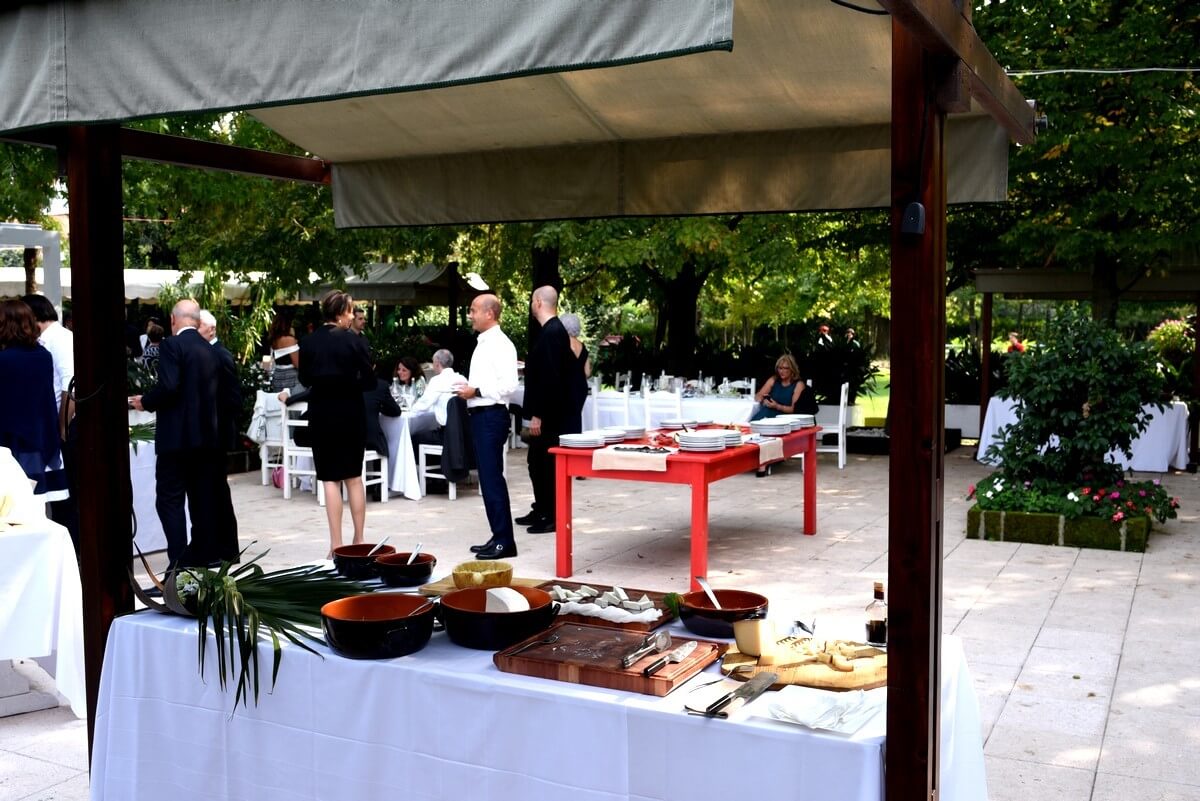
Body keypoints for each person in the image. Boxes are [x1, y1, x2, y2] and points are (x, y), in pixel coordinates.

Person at [131, 299, 240, 568]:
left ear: (173, 320)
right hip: (206, 441)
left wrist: (145, 401)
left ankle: (178, 561)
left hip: (176, 441)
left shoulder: (172, 345)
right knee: (200, 500)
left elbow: (169, 386)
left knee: (169, 501)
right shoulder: (213, 351)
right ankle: (202, 555)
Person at [298, 290, 376, 555]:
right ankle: (360, 538)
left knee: (330, 480)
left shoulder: (308, 342)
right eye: (351, 311)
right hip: (351, 412)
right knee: (354, 477)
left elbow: (305, 379)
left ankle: (335, 543)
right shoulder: (355, 341)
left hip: (321, 413)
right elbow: (369, 381)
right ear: (343, 312)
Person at [455, 294, 519, 559]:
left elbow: (509, 385)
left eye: (473, 310)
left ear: (489, 313)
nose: (470, 315)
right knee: (488, 477)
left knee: (492, 478)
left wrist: (476, 391)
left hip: (491, 415)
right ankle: (498, 535)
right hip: (482, 415)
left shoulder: (501, 344)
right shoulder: (484, 342)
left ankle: (505, 541)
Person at [515, 287, 577, 535]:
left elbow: (550, 377)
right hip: (549, 411)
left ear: (538, 302)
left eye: (532, 301)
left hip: (550, 414)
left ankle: (551, 514)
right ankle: (541, 507)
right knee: (535, 462)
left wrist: (538, 414)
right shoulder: (551, 331)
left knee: (544, 464)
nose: (531, 304)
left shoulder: (552, 332)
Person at [0, 299, 67, 503]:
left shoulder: (4, 360)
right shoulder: (43, 356)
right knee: (37, 510)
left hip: (10, 442)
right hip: (41, 438)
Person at [22, 294, 77, 540]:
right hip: (56, 425)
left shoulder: (59, 339)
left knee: (67, 497)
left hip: (65, 426)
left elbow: (71, 387)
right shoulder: (48, 340)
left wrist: (62, 429)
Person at [198, 310, 243, 548]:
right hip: (214, 432)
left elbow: (232, 398)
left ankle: (227, 544)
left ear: (210, 328)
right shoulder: (210, 353)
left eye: (199, 327)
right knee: (215, 488)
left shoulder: (220, 355)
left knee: (219, 489)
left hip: (218, 433)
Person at [269, 315, 300, 392]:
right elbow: (297, 363)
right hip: (290, 376)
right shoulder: (290, 340)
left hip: (278, 374)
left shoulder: (274, 340)